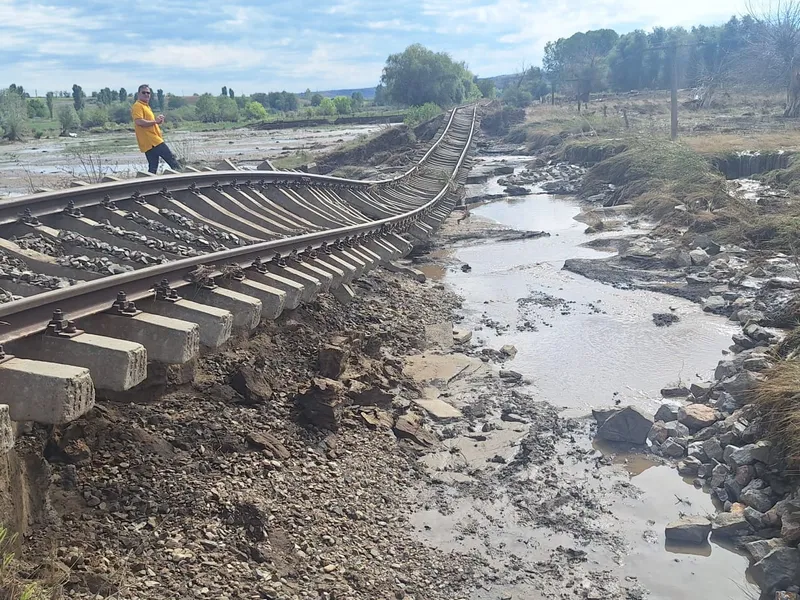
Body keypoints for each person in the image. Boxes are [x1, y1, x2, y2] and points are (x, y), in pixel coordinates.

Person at [131, 84, 180, 174]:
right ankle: (183, 180)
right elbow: (139, 122)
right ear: (138, 94)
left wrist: (157, 121)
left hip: (149, 142)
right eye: (144, 92)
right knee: (172, 160)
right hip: (152, 141)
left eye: (148, 93)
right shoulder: (138, 106)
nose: (146, 94)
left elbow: (149, 122)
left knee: (153, 167)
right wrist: (155, 122)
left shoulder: (146, 106)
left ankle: (148, 186)